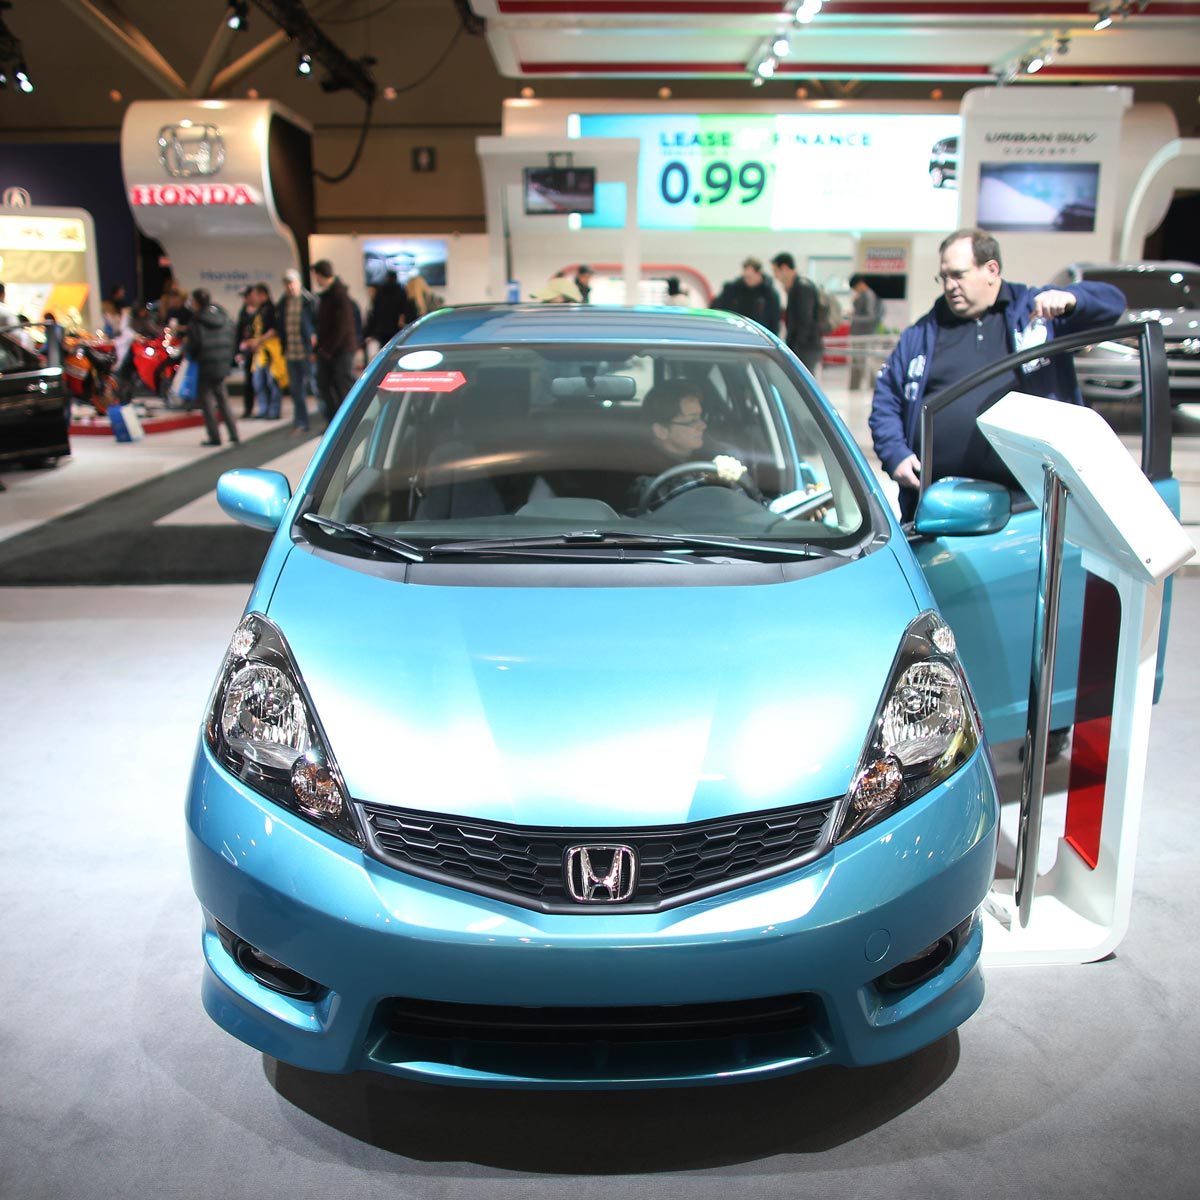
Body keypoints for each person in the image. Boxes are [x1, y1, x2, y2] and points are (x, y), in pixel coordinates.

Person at [868, 227, 1126, 522]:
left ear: (991, 270)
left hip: (1030, 502)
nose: (950, 286)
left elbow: (1113, 302)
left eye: (958, 275)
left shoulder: (1035, 313)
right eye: (944, 277)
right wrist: (895, 453)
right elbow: (886, 399)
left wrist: (1072, 299)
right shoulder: (921, 334)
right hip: (937, 505)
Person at [628, 379, 751, 511]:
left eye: (700, 417)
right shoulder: (640, 471)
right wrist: (712, 479)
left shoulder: (714, 452)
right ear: (661, 431)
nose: (703, 425)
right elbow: (659, 498)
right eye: (692, 420)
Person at [185, 288, 239, 447]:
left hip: (206, 364)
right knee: (223, 398)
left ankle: (214, 436)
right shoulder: (222, 316)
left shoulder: (196, 320)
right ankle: (234, 433)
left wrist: (191, 355)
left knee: (207, 401)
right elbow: (232, 337)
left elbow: (194, 345)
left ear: (196, 302)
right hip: (222, 364)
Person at [312, 259, 358, 423]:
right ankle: (336, 422)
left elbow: (342, 326)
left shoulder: (338, 295)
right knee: (325, 384)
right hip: (331, 350)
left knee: (341, 384)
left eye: (316, 275)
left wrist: (327, 349)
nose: (315, 279)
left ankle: (346, 421)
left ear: (320, 274)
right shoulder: (328, 295)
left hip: (340, 350)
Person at [277, 268, 317, 434]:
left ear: (299, 283)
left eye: (292, 283)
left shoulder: (308, 301)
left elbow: (316, 322)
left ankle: (330, 422)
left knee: (317, 388)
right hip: (291, 352)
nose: (290, 287)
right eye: (287, 284)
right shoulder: (282, 303)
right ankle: (301, 422)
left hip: (307, 352)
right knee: (296, 390)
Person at [771, 252, 823, 374]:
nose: (775, 276)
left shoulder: (802, 287)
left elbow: (805, 320)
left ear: (784, 268)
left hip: (806, 347)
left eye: (775, 271)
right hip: (803, 346)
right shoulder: (795, 287)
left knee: (802, 384)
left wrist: (796, 348)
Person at [712, 257, 781, 333]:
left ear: (759, 274)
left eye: (750, 277)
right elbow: (717, 309)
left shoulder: (770, 295)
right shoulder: (732, 290)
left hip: (759, 336)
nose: (746, 280)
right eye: (745, 277)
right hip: (734, 332)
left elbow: (774, 323)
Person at [848, 273, 884, 391]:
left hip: (864, 334)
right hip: (859, 333)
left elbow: (871, 317)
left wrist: (853, 318)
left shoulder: (869, 295)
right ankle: (854, 388)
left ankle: (875, 386)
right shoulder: (863, 295)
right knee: (856, 362)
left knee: (863, 362)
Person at [364, 270, 408, 359]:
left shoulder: (380, 291)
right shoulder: (401, 291)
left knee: (384, 352)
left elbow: (375, 311)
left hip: (382, 328)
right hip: (396, 328)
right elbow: (404, 310)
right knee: (396, 352)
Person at [234, 287, 259, 418]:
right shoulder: (244, 311)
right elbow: (239, 332)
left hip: (260, 350)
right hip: (247, 351)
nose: (245, 299)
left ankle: (265, 408)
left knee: (262, 381)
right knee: (248, 381)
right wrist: (238, 351)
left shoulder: (262, 309)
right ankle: (248, 408)